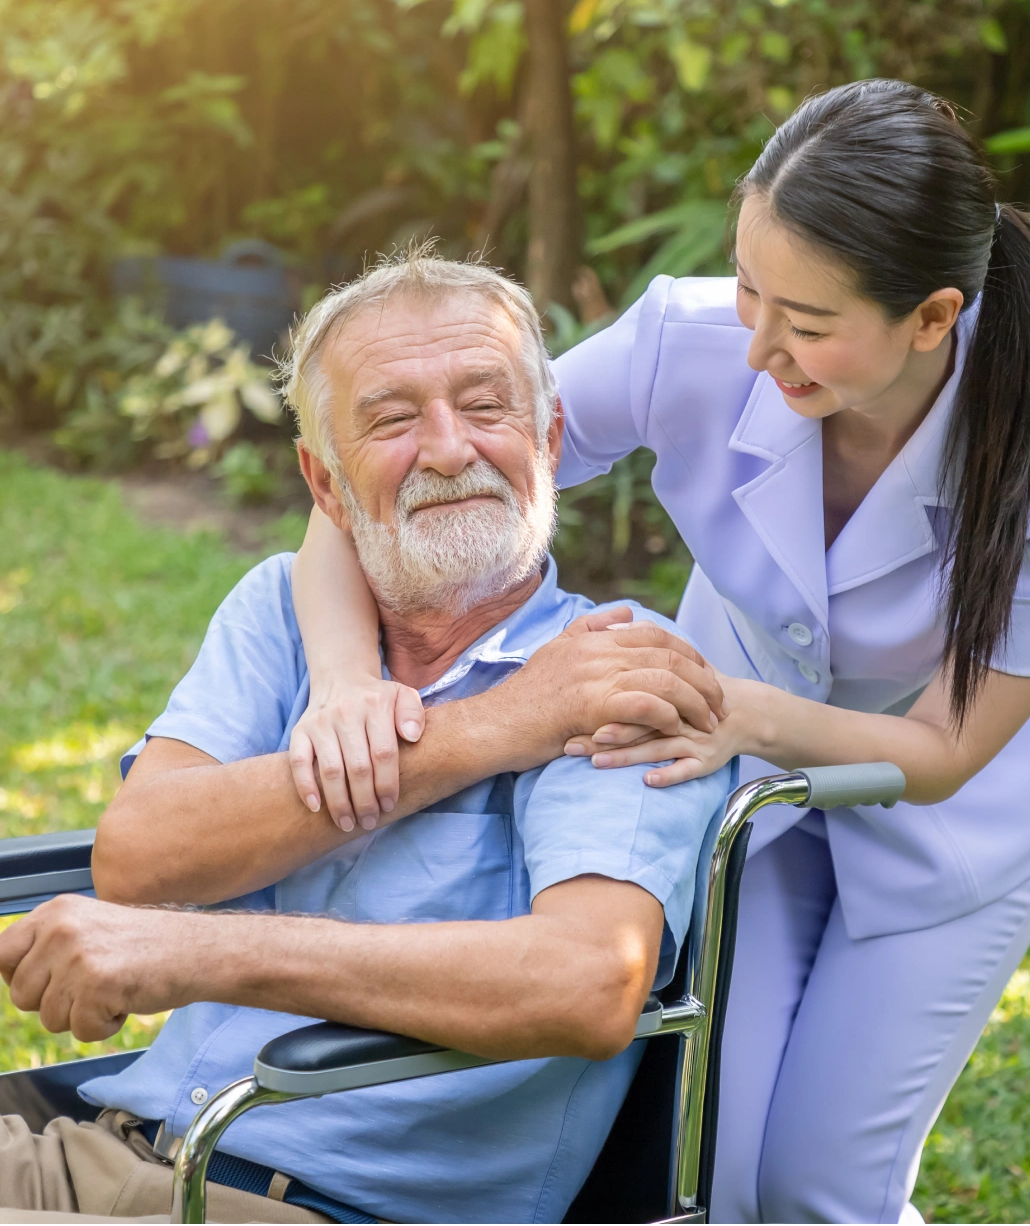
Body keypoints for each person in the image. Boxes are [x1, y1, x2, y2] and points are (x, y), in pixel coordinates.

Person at [289, 81, 1030, 1224]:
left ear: (932, 317)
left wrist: (726, 710)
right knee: (712, 1178)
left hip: (942, 833)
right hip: (748, 809)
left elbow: (939, 751)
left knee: (819, 1189)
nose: (758, 344)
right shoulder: (687, 343)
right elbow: (394, 483)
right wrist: (342, 681)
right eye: (748, 288)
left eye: (808, 323)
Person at [0, 252, 730, 1225]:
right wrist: (491, 729)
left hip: (312, 1206)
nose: (447, 449)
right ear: (326, 483)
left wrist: (197, 953)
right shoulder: (279, 609)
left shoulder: (614, 666)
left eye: (486, 405)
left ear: (550, 439)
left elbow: (589, 980)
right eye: (391, 419)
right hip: (95, 1151)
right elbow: (138, 855)